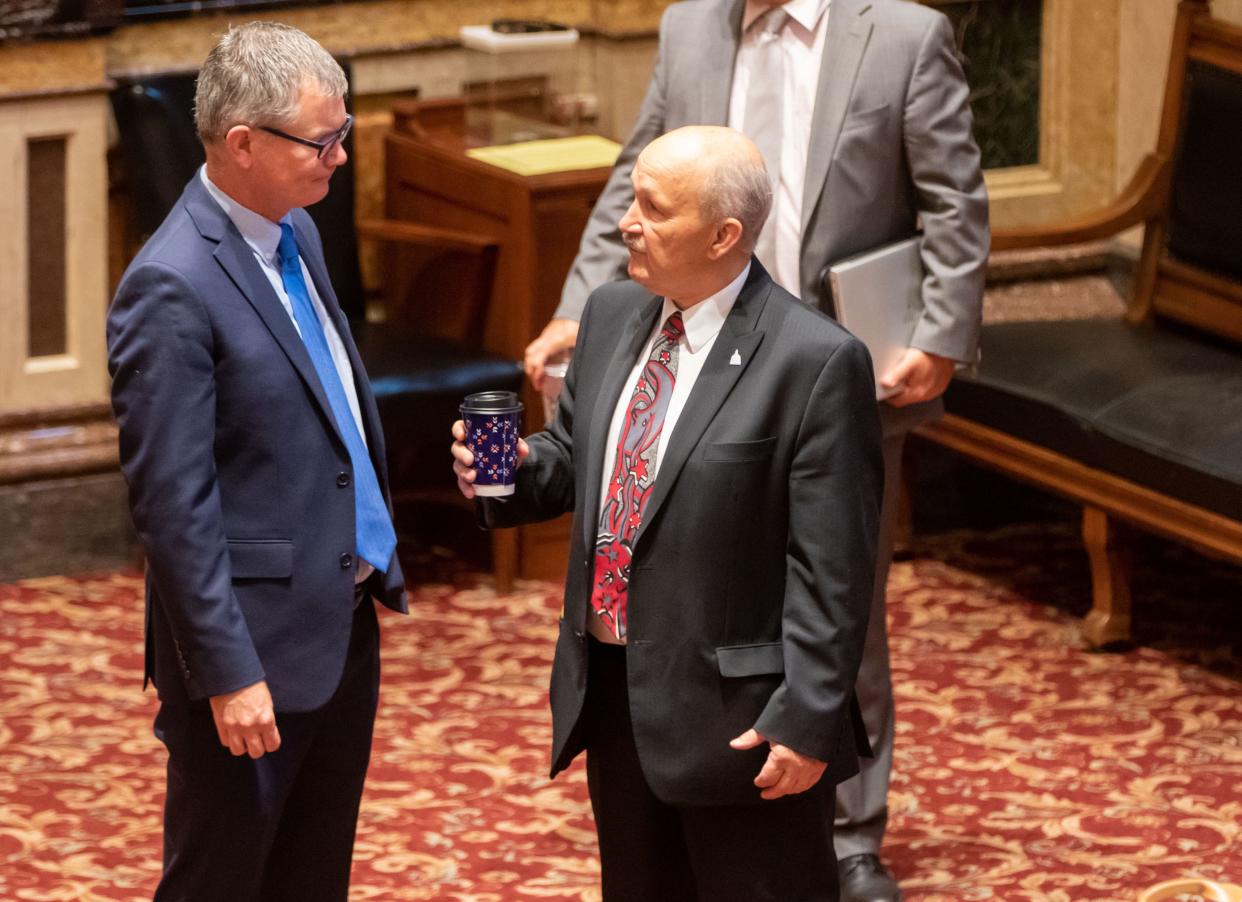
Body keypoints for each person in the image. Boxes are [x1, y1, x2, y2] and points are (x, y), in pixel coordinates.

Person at [523, 1, 990, 896]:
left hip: (832, 341)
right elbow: (637, 177)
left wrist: (941, 332)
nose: (632, 222)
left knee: (832, 587)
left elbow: (952, 196)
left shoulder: (902, 34)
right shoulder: (688, 26)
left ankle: (850, 828)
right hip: (683, 315)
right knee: (696, 564)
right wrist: (579, 305)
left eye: (647, 218)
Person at [453, 126, 883, 901]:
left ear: (723, 235)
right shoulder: (615, 313)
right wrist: (516, 470)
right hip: (620, 697)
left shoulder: (813, 363)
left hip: (745, 722)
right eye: (631, 200)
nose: (626, 222)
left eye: (652, 208)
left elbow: (835, 570)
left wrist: (808, 716)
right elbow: (574, 461)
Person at [107, 22, 406, 902]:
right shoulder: (170, 286)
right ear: (243, 144)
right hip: (252, 654)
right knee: (223, 881)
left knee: (312, 879)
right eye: (325, 140)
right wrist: (229, 673)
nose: (343, 157)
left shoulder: (293, 232)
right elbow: (174, 508)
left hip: (338, 624)